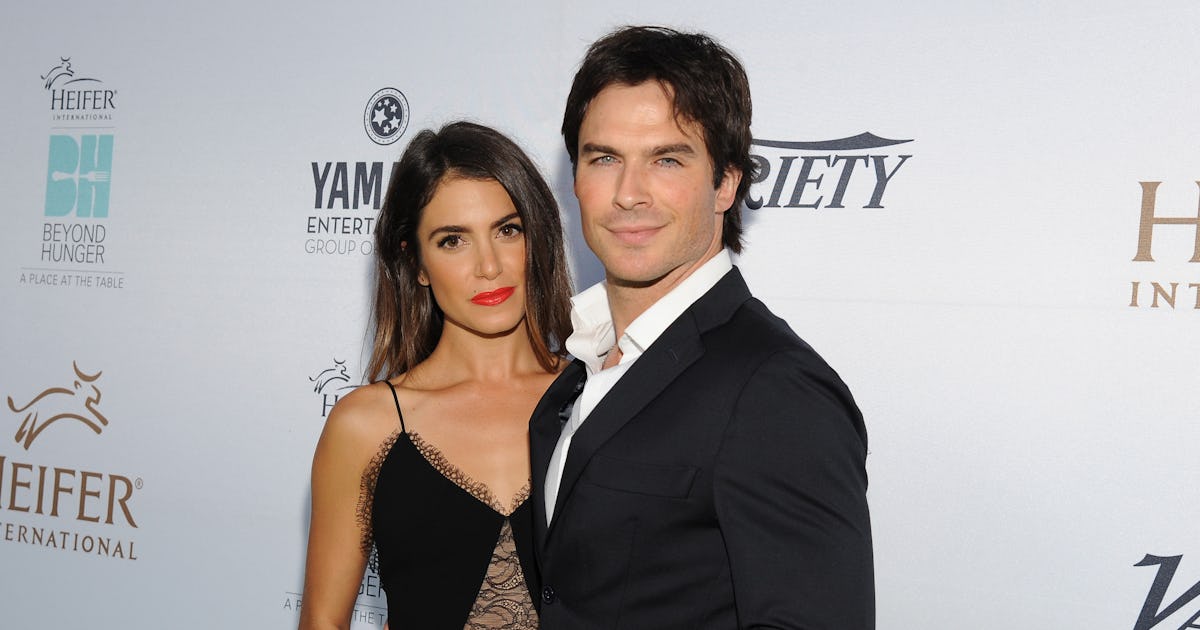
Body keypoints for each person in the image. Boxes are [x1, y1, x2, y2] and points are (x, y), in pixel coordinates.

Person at [529, 26, 875, 628]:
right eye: (604, 158)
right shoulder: (583, 362)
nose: (628, 194)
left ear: (726, 184)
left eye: (667, 159)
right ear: (575, 179)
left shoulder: (776, 389)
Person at [299, 121, 572, 630]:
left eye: (507, 230)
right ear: (417, 262)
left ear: (536, 237)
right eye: (453, 241)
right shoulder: (366, 425)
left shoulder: (595, 395)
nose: (488, 266)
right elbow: (322, 622)